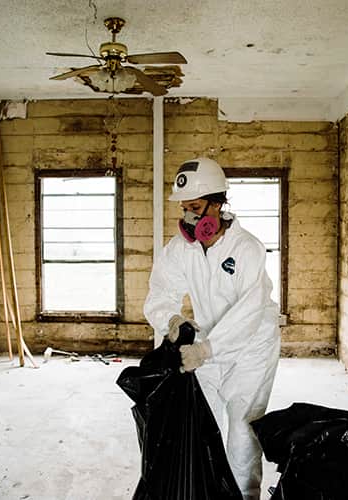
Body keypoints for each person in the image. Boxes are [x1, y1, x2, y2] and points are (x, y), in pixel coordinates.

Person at [143, 157, 280, 500]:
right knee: (205, 428)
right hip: (207, 348)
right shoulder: (180, 248)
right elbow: (160, 292)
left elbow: (250, 310)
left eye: (196, 207)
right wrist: (171, 320)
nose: (189, 216)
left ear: (218, 204)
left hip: (251, 350)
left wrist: (206, 349)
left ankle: (245, 496)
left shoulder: (247, 248)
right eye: (185, 208)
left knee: (242, 432)